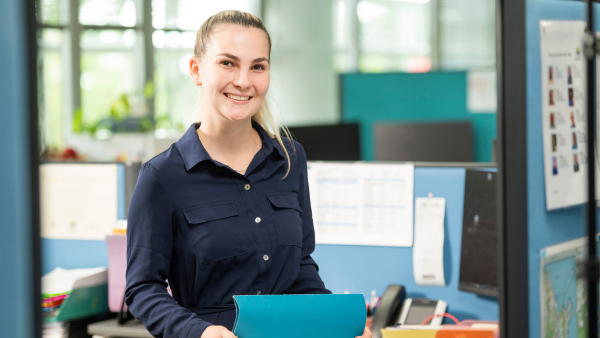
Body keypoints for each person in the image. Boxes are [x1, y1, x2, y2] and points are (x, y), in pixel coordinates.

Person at [125, 10, 372, 338]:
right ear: (197, 70)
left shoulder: (290, 159)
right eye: (228, 63)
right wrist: (198, 332)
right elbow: (142, 288)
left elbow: (299, 268)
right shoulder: (163, 175)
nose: (243, 81)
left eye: (258, 66)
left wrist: (337, 326)